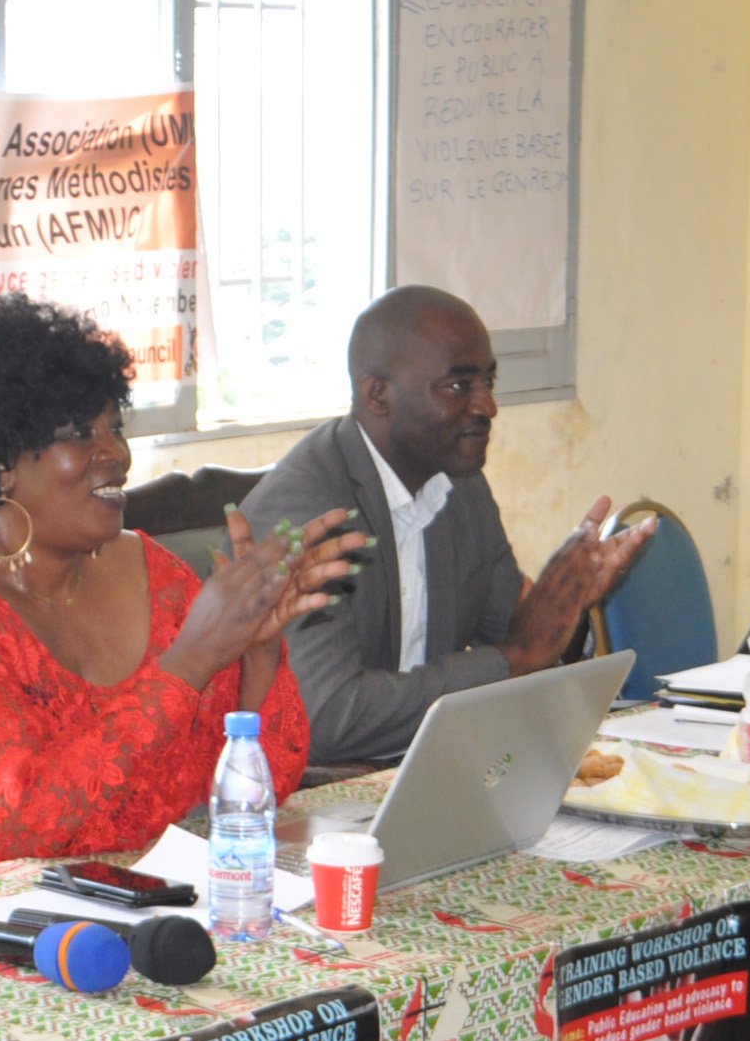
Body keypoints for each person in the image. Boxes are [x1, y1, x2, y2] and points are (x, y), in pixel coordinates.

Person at [0, 294, 360, 893]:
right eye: (79, 434)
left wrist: (255, 644)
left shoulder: (155, 572)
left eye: (115, 429)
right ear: (1, 462)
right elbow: (22, 819)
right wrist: (191, 661)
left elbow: (261, 782)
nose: (116, 455)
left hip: (113, 907)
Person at [244, 285, 655, 763]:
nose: (487, 407)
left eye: (488, 382)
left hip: (426, 765)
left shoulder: (459, 485)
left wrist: (566, 604)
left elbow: (518, 638)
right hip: (312, 790)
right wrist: (518, 656)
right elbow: (331, 716)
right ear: (378, 395)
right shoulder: (307, 510)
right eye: (459, 387)